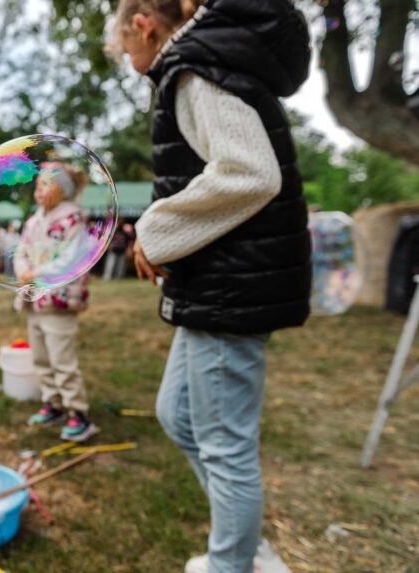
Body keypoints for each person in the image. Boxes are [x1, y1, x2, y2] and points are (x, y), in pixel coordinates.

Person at [109, 1, 312, 572]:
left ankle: (233, 564)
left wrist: (156, 230)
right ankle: (244, 545)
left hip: (231, 291)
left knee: (225, 444)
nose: (131, 64)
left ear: (144, 23)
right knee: (178, 415)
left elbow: (250, 172)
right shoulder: (208, 60)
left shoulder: (194, 68)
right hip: (219, 285)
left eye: (127, 49)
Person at [14, 162, 96, 442]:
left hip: (59, 302)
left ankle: (78, 413)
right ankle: (53, 403)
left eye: (46, 184)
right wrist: (22, 271)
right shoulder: (34, 221)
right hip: (35, 300)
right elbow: (21, 251)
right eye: (38, 185)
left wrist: (36, 272)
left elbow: (71, 258)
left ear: (64, 191)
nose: (39, 190)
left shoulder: (73, 219)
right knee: (41, 357)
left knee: (62, 360)